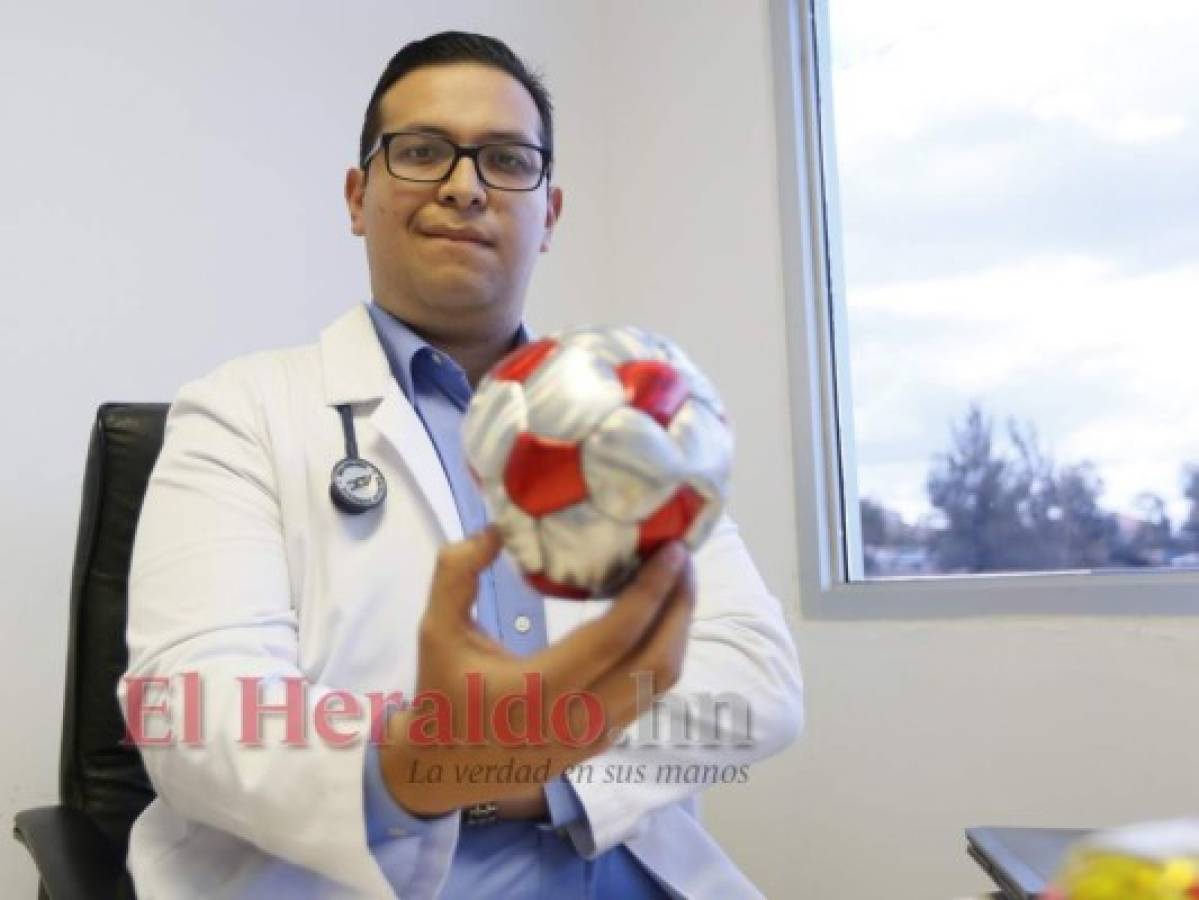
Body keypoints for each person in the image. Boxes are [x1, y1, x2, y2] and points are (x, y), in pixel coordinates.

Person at [119, 30, 804, 900]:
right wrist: (418, 767)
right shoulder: (236, 412)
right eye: (421, 151)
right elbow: (191, 714)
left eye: (507, 160)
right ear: (357, 196)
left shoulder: (633, 419)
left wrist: (510, 772)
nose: (464, 184)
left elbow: (756, 678)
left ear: (548, 212)